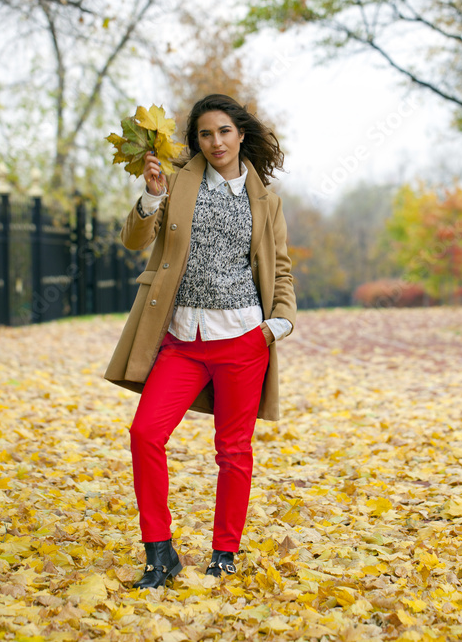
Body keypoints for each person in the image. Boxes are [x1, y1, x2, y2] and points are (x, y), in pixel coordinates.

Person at [104, 93, 297, 589]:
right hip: (181, 340)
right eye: (206, 134)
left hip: (242, 342)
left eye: (225, 132)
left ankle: (224, 552)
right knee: (145, 433)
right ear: (197, 141)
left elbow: (280, 271)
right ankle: (159, 550)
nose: (216, 142)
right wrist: (150, 196)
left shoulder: (266, 200)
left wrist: (275, 327)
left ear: (241, 135)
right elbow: (133, 239)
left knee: (233, 451)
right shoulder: (177, 185)